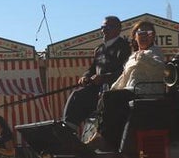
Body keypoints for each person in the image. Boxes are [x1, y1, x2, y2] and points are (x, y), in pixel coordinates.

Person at [97, 20, 166, 149]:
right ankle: (102, 135)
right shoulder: (132, 56)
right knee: (106, 97)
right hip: (132, 90)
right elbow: (124, 77)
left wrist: (143, 57)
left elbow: (161, 68)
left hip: (145, 92)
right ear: (135, 36)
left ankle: (106, 140)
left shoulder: (155, 52)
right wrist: (113, 89)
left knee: (111, 98)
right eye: (141, 33)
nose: (145, 36)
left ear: (153, 36)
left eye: (149, 33)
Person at [63, 15, 132, 135]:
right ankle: (68, 130)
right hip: (97, 88)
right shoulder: (99, 49)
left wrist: (104, 78)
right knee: (76, 95)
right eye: (102, 27)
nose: (104, 30)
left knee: (82, 97)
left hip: (114, 90)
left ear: (118, 29)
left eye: (108, 27)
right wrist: (85, 76)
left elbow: (124, 72)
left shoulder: (124, 47)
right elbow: (92, 69)